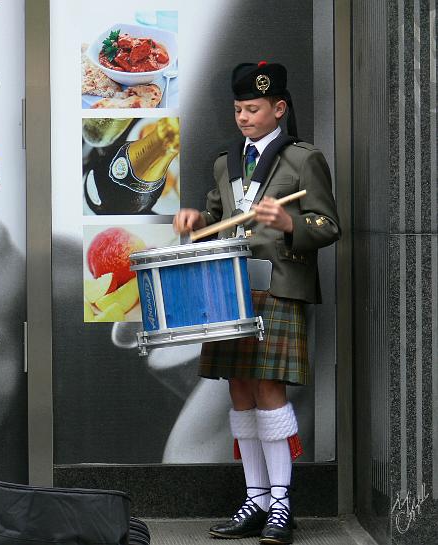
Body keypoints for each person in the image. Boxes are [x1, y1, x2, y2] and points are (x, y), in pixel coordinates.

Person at [172, 61, 340, 545]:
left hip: (279, 286)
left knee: (269, 390)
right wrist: (192, 221)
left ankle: (283, 503)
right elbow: (215, 218)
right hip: (230, 287)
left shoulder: (303, 160)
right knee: (239, 389)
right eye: (238, 109)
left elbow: (329, 226)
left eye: (253, 109)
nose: (243, 117)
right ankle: (257, 498)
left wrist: (290, 224)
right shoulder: (227, 161)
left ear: (279, 108)